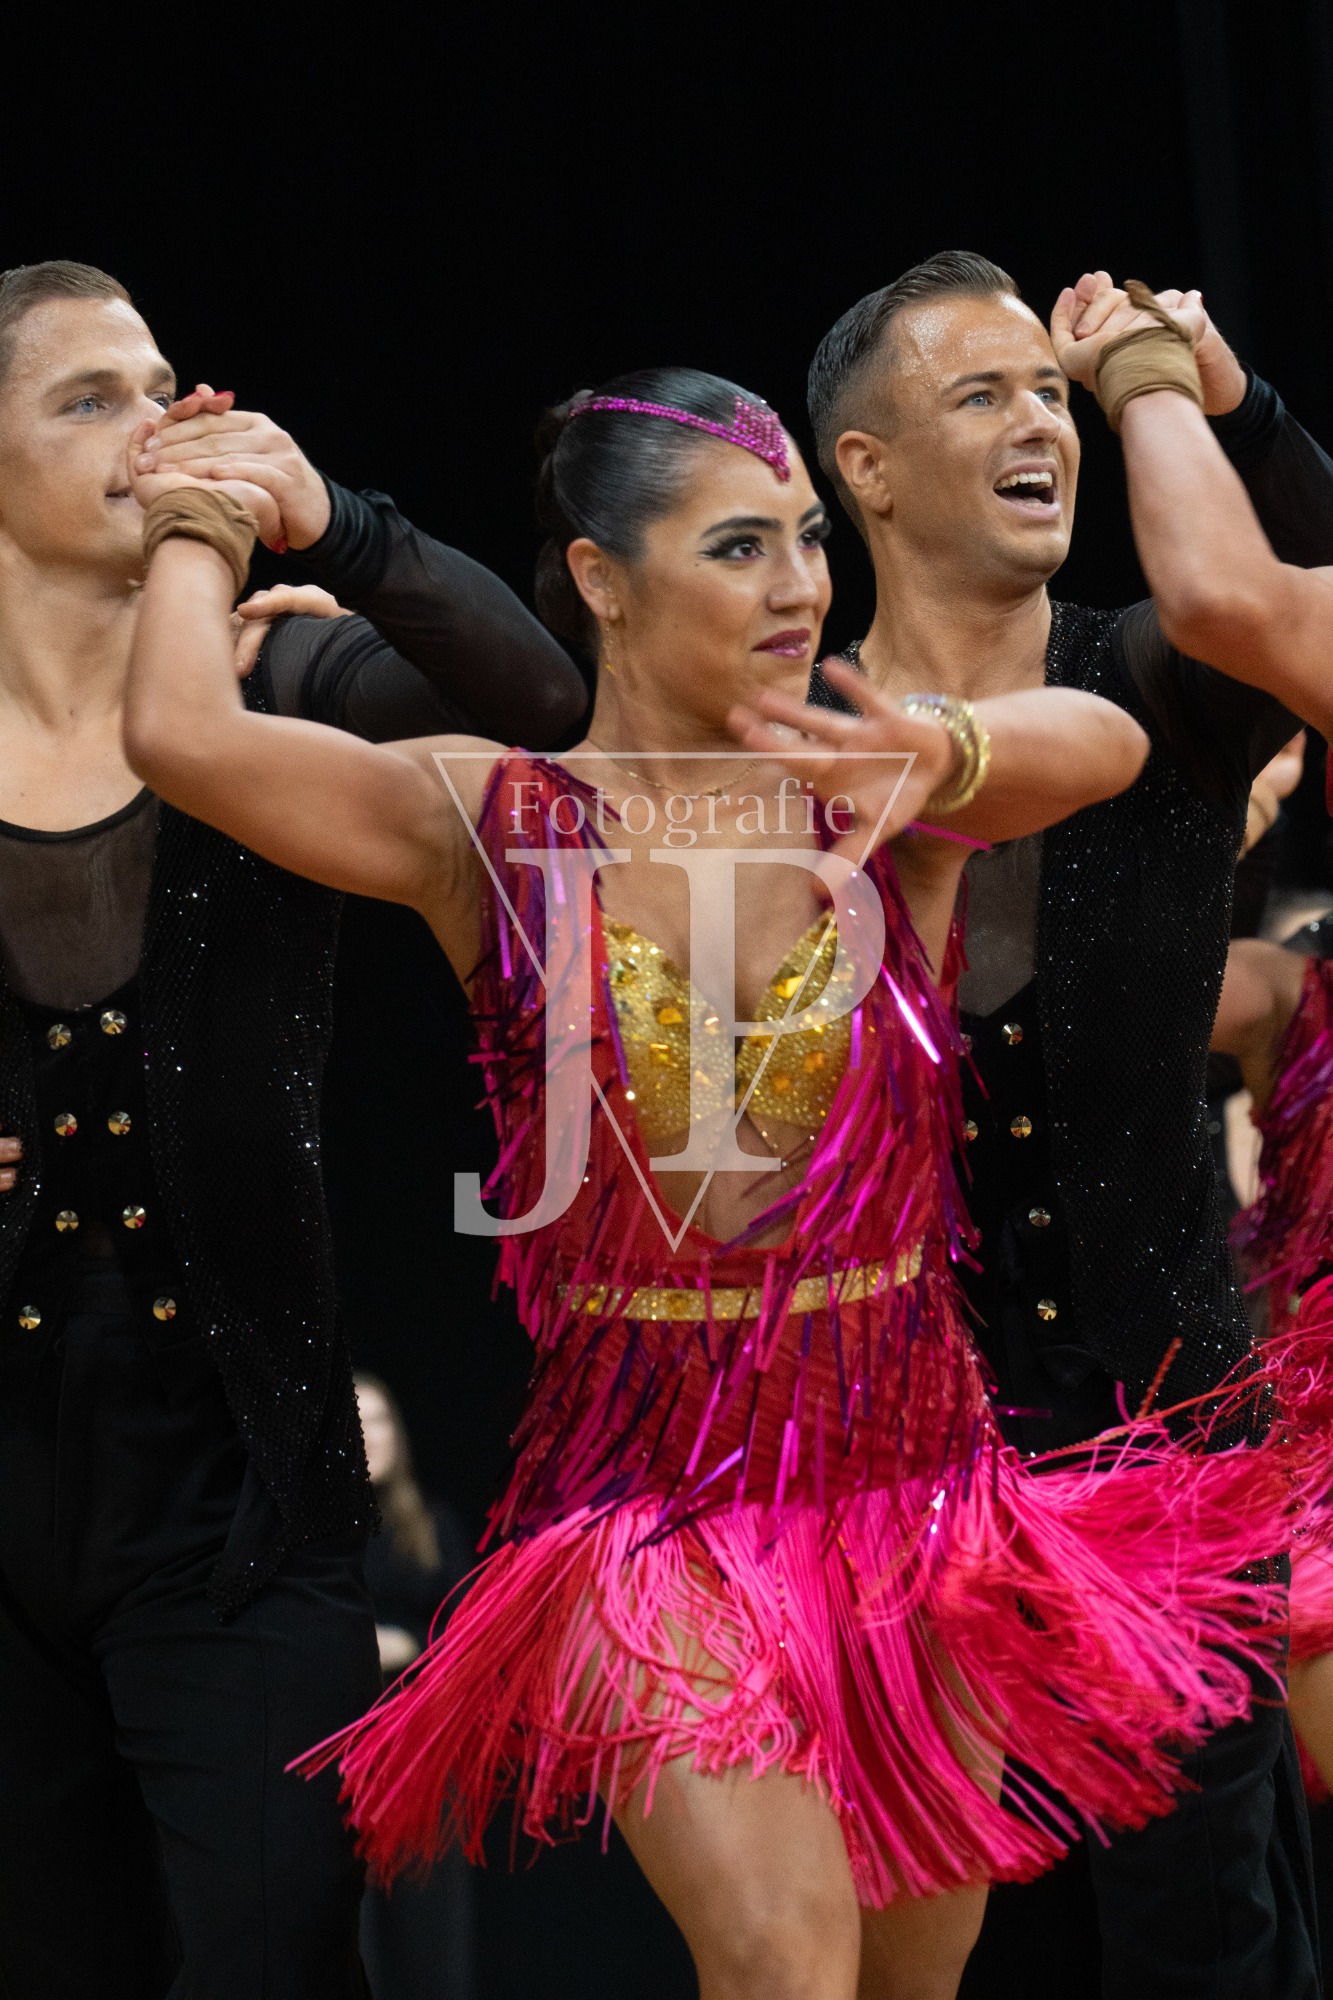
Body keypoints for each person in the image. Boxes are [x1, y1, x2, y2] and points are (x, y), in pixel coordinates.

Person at [119, 363, 1325, 2000]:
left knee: (906, 1980)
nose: (799, 585)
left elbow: (1104, 742)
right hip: (647, 1508)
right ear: (603, 579)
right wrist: (199, 517)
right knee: (779, 1955)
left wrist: (943, 745)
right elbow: (183, 736)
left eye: (806, 539)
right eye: (738, 547)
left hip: (917, 1494)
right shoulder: (497, 820)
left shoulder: (869, 787)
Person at [0, 258, 586, 2000]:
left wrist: (343, 523)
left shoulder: (277, 677)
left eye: (160, 385)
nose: (151, 426)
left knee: (279, 1953)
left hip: (241, 1482)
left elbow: (545, 704)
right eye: (85, 399)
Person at [805, 250, 1333, 1998]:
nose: (1041, 419)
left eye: (1051, 391)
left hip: (1175, 1437)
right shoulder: (791, 738)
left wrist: (1224, 394)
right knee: (969, 1960)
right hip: (893, 1479)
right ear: (866, 470)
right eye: (983, 394)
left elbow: (1289, 579)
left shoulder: (1168, 676)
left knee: (1202, 1943)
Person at [355, 1371, 476, 2000]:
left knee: (430, 1930)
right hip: (338, 1746)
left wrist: (405, 1647)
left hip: (419, 1749)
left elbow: (466, 1638)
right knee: (351, 1933)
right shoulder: (316, 1539)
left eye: (379, 1420)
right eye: (354, 1421)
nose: (369, 1435)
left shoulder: (431, 1526)